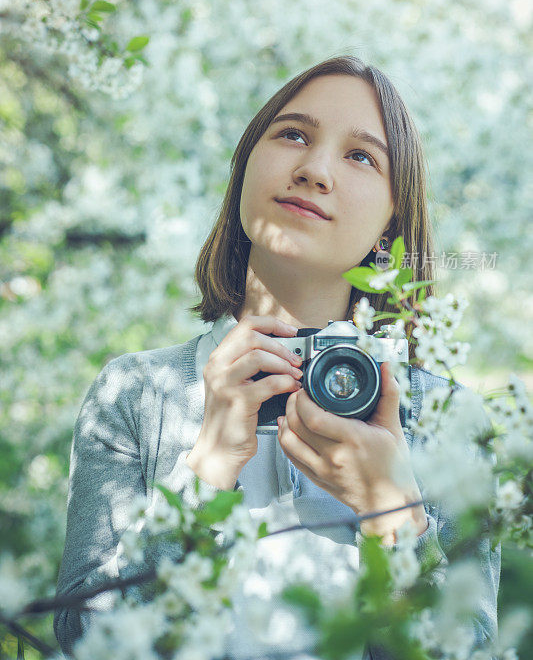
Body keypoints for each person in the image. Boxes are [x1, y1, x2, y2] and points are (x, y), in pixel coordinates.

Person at [53, 56, 500, 660]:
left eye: (361, 156)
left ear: (391, 219)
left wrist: (394, 518)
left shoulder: (449, 416)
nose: (314, 170)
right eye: (293, 134)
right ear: (244, 166)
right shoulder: (135, 393)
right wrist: (204, 472)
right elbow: (86, 644)